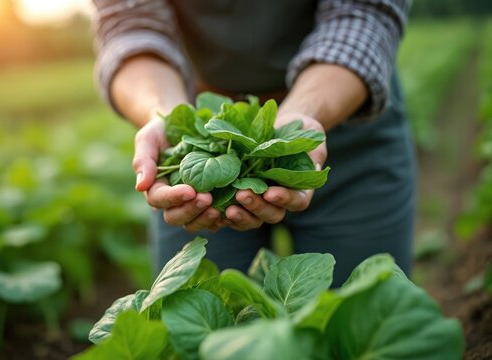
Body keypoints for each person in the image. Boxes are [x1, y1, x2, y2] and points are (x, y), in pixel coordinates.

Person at [92, 0, 415, 285]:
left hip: (344, 108)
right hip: (206, 136)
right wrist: (165, 115)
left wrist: (299, 120)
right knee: (210, 331)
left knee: (358, 316)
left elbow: (364, 14)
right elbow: (130, 24)